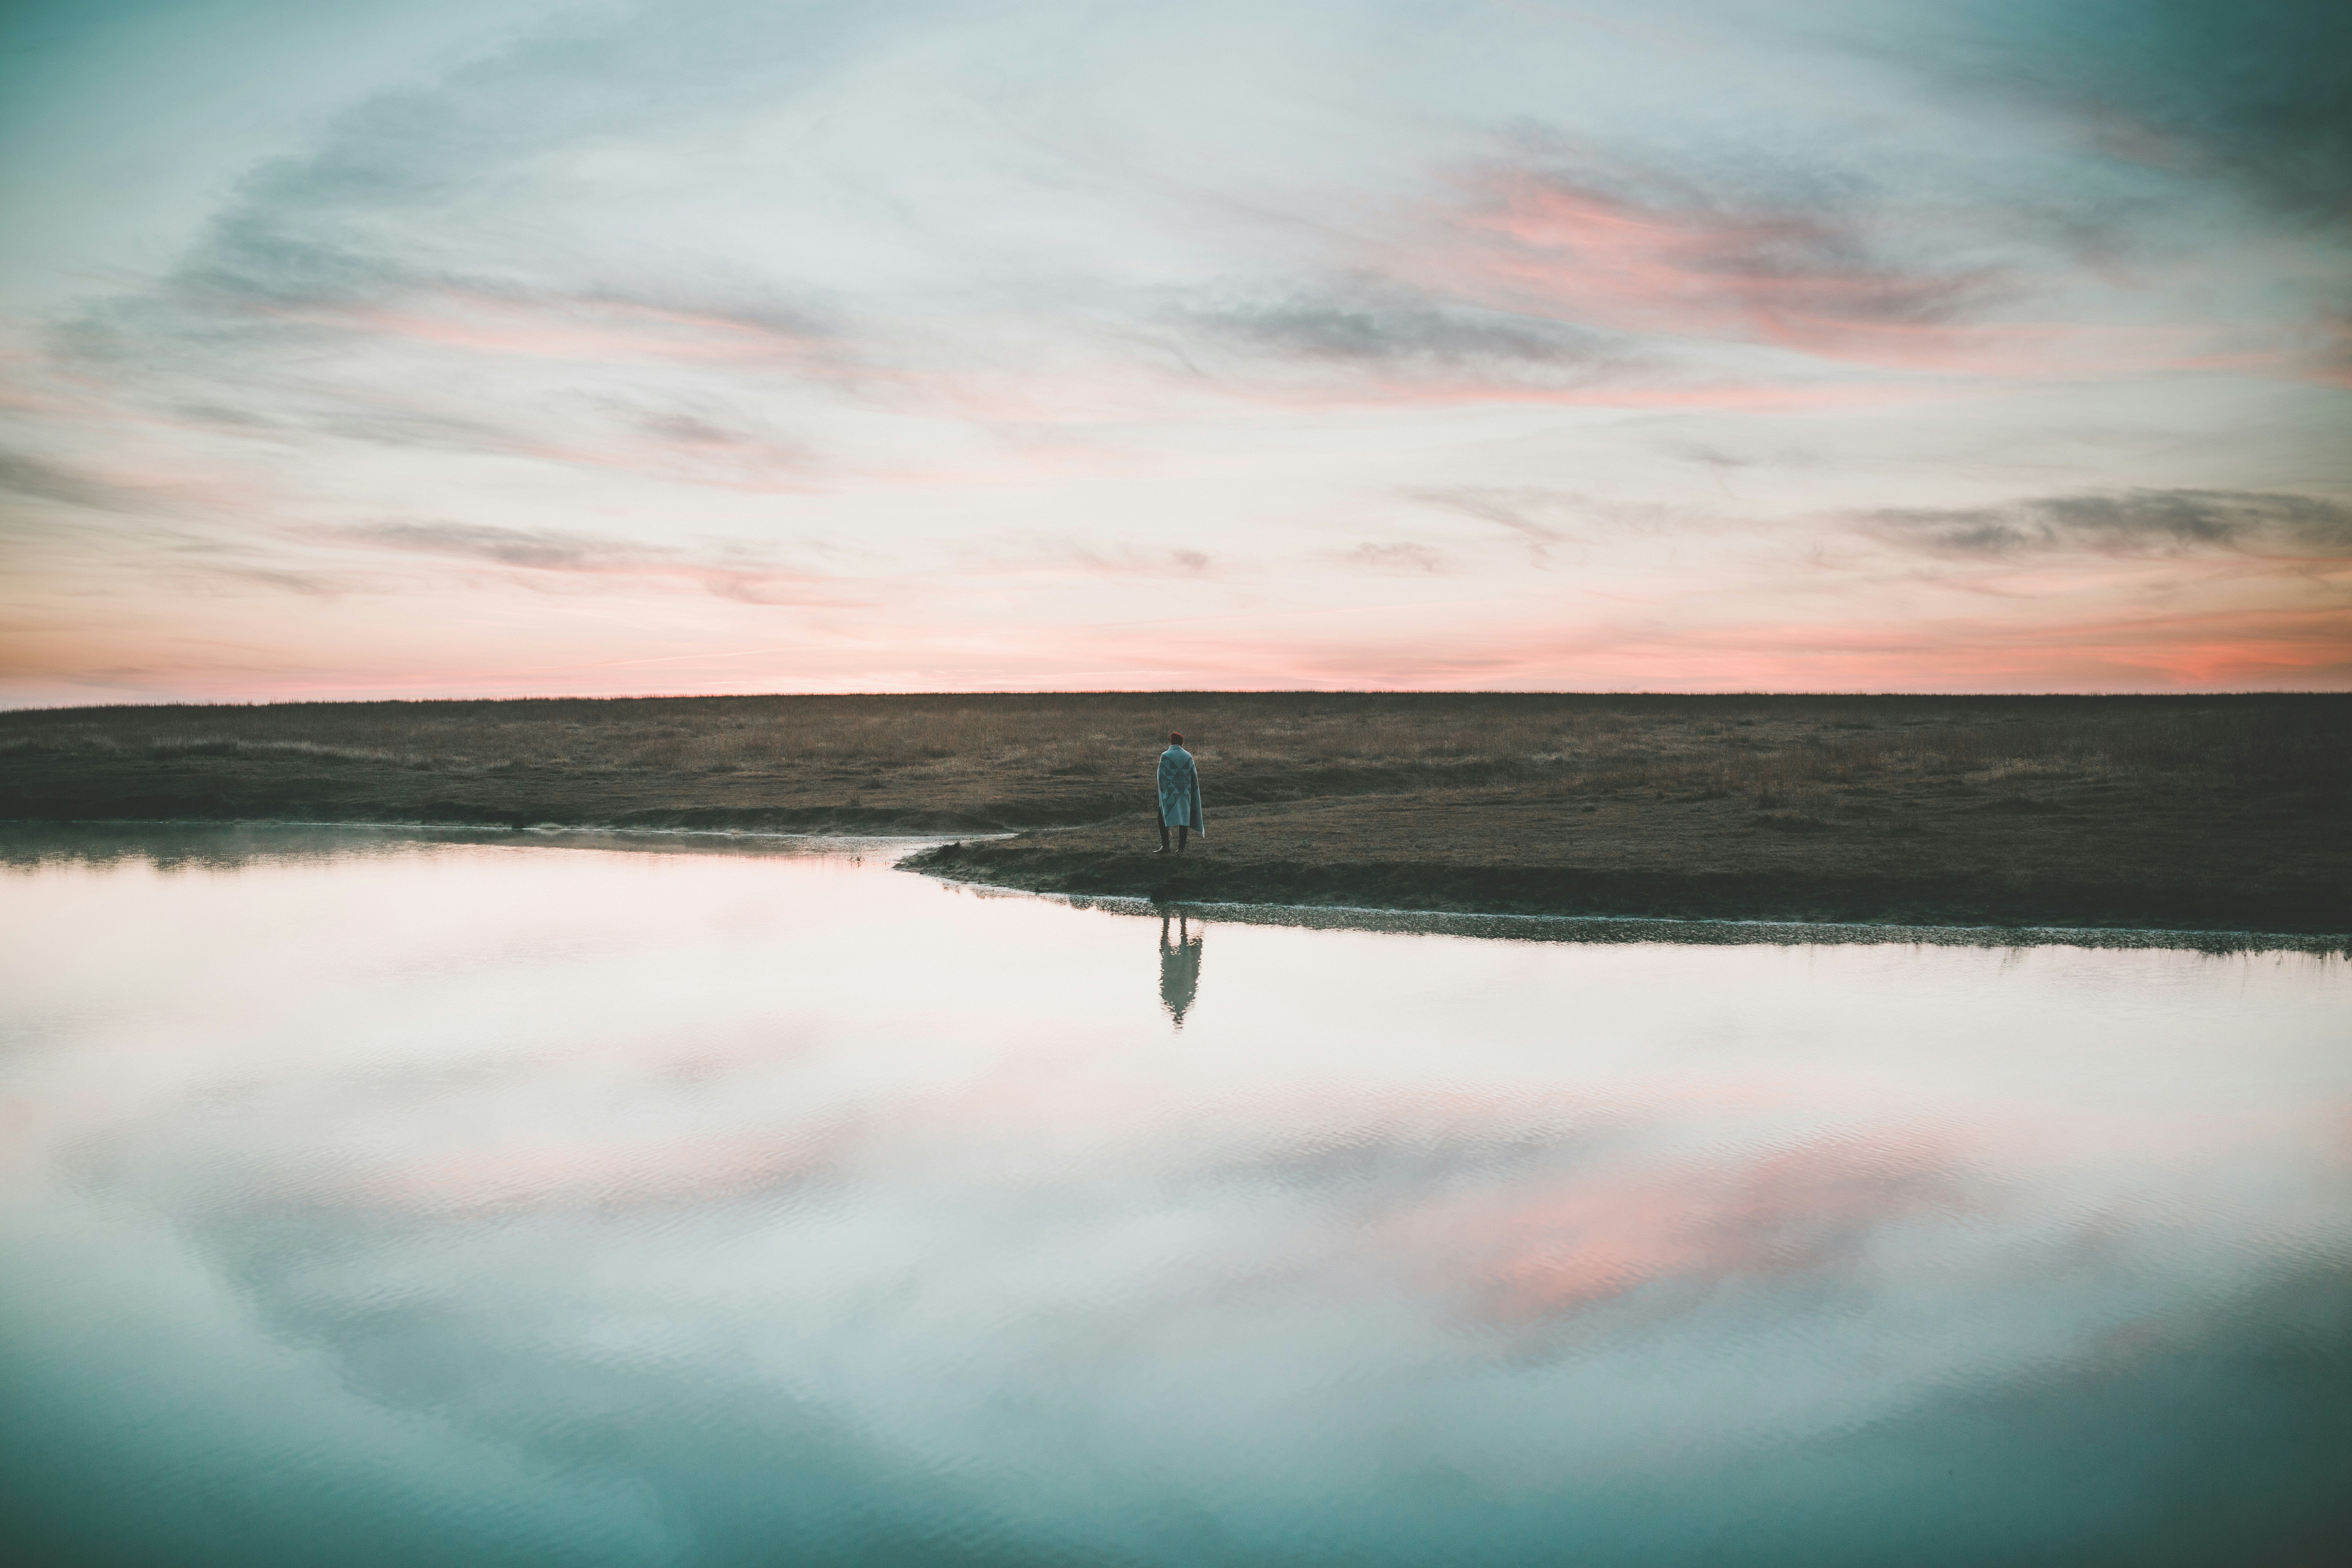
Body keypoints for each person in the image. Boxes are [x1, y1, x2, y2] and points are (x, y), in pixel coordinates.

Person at [1155, 731, 1204, 854]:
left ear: (1172, 742)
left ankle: (1166, 846)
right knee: (1184, 819)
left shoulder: (1165, 756)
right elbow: (1193, 775)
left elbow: (1161, 776)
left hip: (1170, 794)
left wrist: (1165, 792)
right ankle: (1181, 848)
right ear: (1182, 743)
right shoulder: (1188, 756)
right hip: (1184, 794)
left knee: (1162, 817)